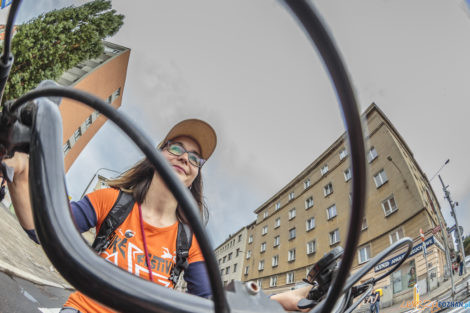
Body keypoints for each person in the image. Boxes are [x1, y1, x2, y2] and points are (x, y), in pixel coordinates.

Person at [4, 118, 310, 312]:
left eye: (194, 158)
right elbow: (45, 229)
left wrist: (279, 301)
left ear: (195, 175)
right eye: (176, 147)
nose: (184, 158)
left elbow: (211, 304)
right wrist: (21, 171)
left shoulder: (190, 241)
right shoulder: (110, 201)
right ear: (157, 156)